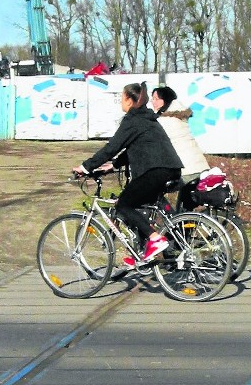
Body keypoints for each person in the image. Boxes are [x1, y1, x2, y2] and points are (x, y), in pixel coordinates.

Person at [73, 81, 183, 264]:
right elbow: (134, 147)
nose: (120, 102)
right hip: (169, 168)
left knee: (123, 205)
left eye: (121, 97)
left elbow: (112, 147)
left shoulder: (132, 119)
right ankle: (141, 254)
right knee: (140, 207)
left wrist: (85, 167)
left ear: (129, 99)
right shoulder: (146, 117)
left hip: (154, 171)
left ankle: (155, 240)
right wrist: (113, 165)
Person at [151, 86, 209, 210]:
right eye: (152, 99)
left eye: (157, 99)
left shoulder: (165, 121)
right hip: (200, 168)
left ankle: (171, 224)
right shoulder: (178, 118)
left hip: (187, 171)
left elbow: (151, 144)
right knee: (184, 215)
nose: (153, 102)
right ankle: (177, 225)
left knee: (151, 190)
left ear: (166, 101)